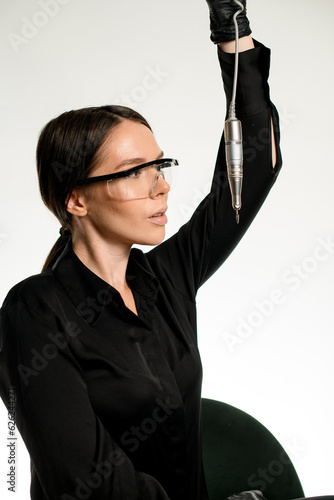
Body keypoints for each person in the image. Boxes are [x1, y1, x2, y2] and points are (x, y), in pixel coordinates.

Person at [0, 1, 281, 499]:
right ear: (76, 199)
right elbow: (83, 483)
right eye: (134, 171)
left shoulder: (168, 277)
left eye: (160, 164)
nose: (161, 186)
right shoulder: (34, 312)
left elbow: (251, 172)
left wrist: (231, 32)